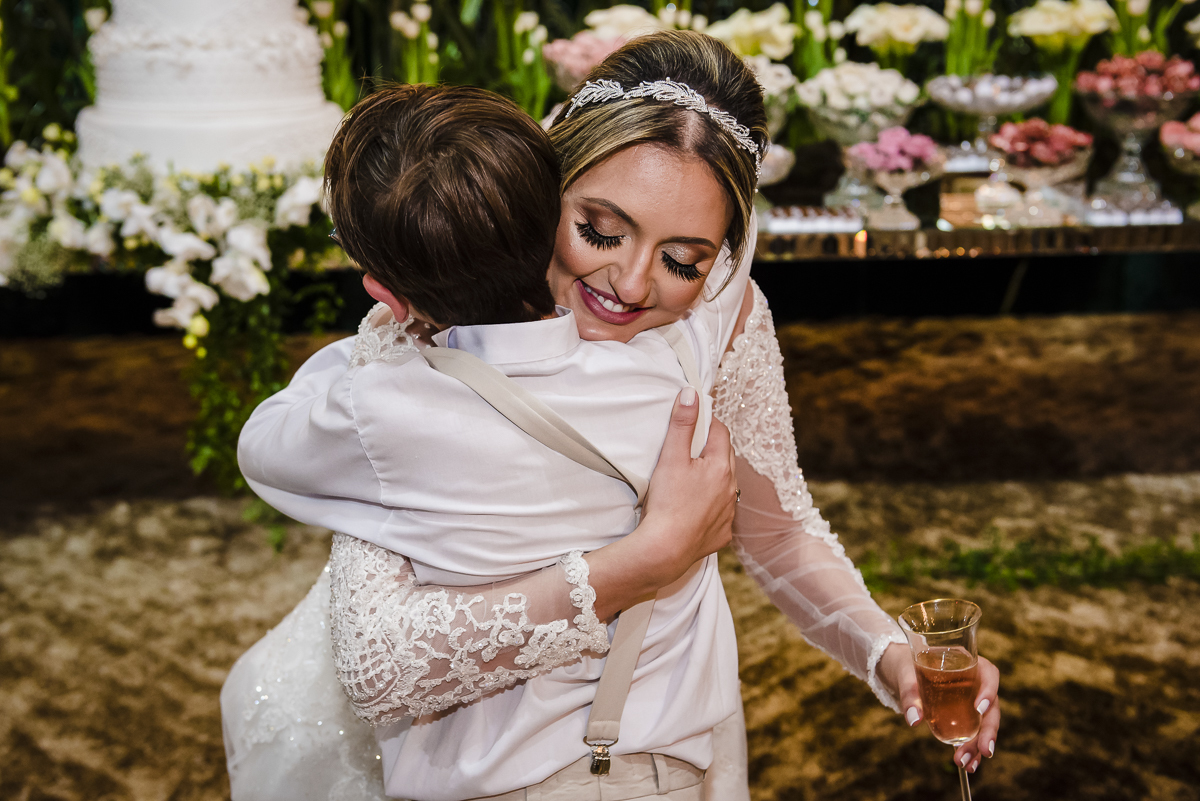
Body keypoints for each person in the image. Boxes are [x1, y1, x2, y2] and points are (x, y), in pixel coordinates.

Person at [228, 30, 1002, 801]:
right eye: (600, 230)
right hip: (471, 766)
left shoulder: (719, 319)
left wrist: (888, 652)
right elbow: (381, 657)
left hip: (653, 758)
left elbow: (776, 530)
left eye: (683, 260)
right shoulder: (434, 318)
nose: (629, 284)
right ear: (543, 186)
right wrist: (646, 560)